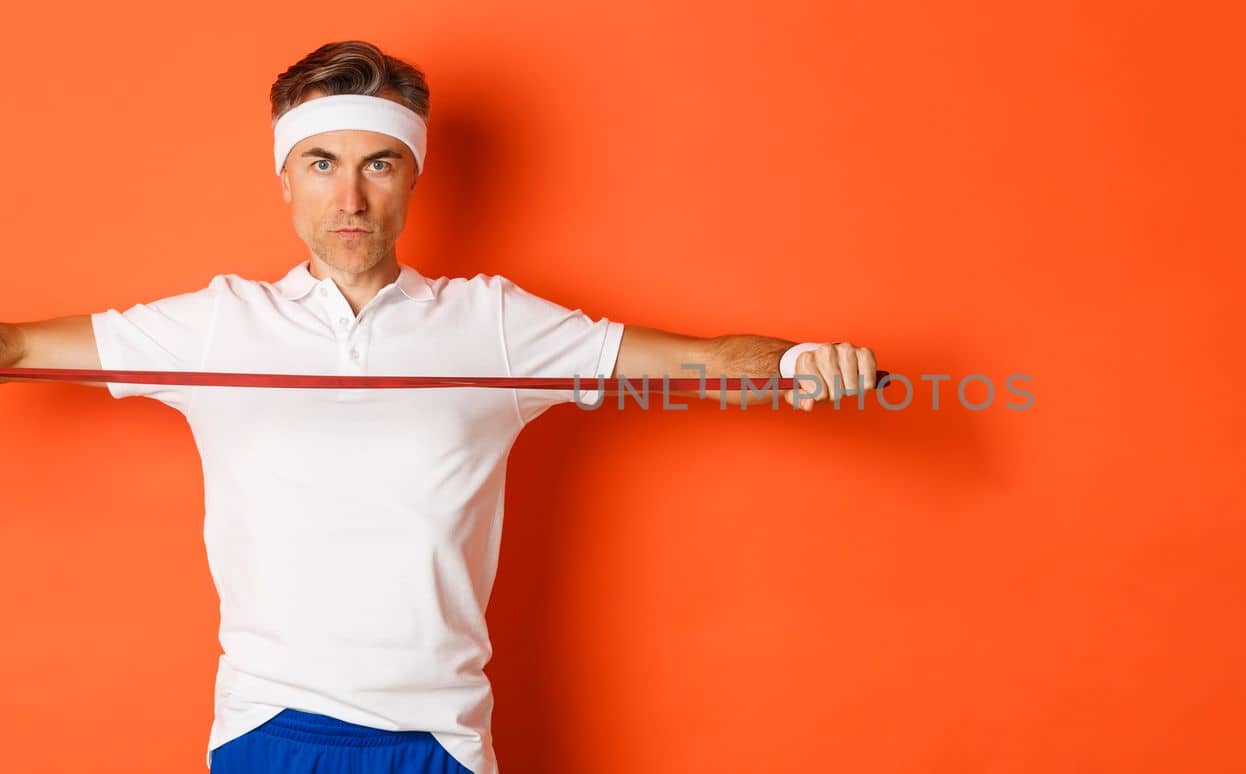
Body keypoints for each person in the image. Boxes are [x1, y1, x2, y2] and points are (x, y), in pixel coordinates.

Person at [0, 40, 877, 774]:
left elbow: (702, 357)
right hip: (267, 727)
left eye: (377, 164)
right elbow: (21, 346)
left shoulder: (491, 322)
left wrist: (806, 360)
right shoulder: (217, 324)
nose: (349, 199)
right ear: (285, 180)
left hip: (443, 738)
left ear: (412, 177)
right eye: (321, 165)